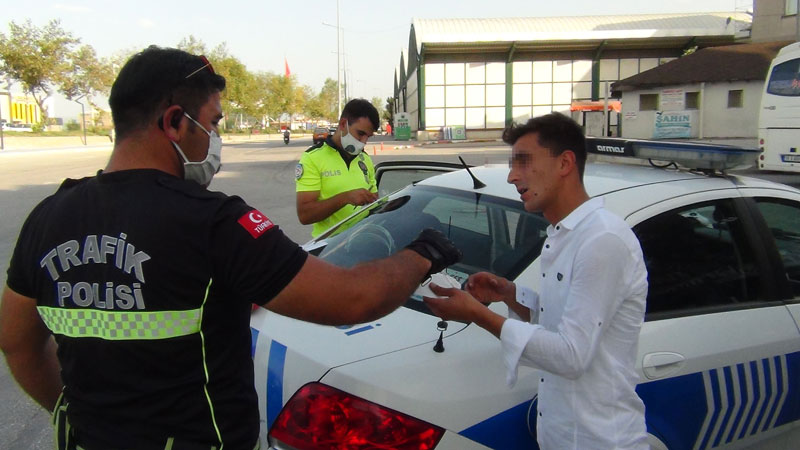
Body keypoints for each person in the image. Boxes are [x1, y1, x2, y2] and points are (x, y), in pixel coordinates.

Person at [0, 46, 461, 450]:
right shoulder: (213, 221)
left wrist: (80, 415)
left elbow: (17, 343)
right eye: (214, 123)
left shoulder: (48, 215)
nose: (216, 139)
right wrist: (424, 252)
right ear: (175, 123)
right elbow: (352, 298)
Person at [424, 113, 649, 450]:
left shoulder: (602, 240)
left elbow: (571, 355)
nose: (513, 177)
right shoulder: (561, 236)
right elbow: (564, 322)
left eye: (524, 162)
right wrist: (513, 296)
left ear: (565, 163)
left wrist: (478, 314)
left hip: (600, 440)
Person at [295, 98, 379, 238]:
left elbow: (374, 202)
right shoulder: (313, 158)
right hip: (330, 247)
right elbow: (305, 215)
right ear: (343, 124)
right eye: (360, 134)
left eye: (368, 137)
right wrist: (345, 198)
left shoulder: (365, 159)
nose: (363, 142)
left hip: (362, 240)